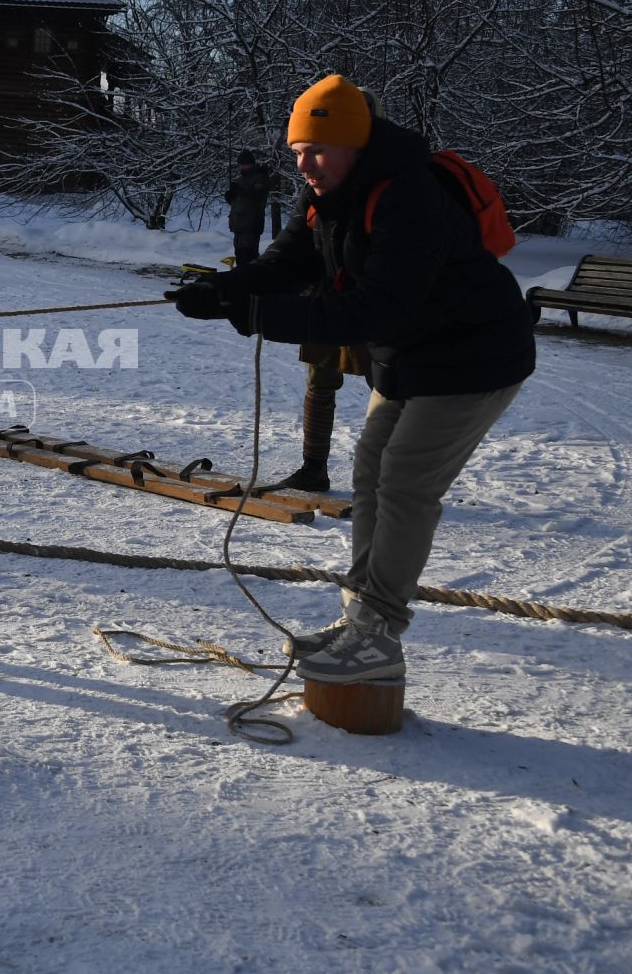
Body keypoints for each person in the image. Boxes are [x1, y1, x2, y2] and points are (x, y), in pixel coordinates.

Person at [167, 73, 534, 684]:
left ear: (355, 145)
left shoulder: (408, 196)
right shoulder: (328, 194)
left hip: (474, 360)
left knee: (406, 484)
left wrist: (259, 315)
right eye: (296, 152)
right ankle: (358, 619)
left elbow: (375, 308)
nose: (305, 163)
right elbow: (290, 260)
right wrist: (224, 288)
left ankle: (379, 635)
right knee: (370, 476)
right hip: (410, 359)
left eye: (317, 149)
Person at [225, 149, 270, 266]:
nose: (243, 167)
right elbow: (239, 202)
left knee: (249, 258)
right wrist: (230, 197)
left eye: (245, 164)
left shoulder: (260, 177)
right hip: (238, 226)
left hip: (251, 225)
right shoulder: (240, 180)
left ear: (252, 164)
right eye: (241, 164)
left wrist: (239, 191)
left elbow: (256, 197)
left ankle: (253, 282)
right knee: (240, 256)